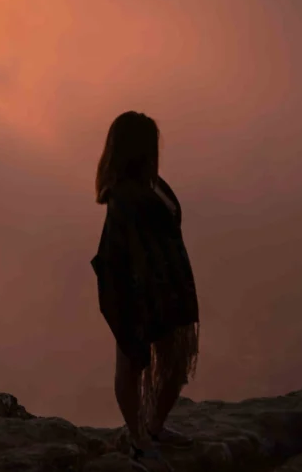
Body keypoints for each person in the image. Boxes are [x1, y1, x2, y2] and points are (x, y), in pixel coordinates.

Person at [91, 111, 200, 471]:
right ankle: (138, 438)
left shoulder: (154, 184)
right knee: (132, 364)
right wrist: (143, 297)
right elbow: (125, 253)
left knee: (174, 364)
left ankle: (154, 429)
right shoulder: (124, 195)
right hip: (136, 293)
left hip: (169, 287)